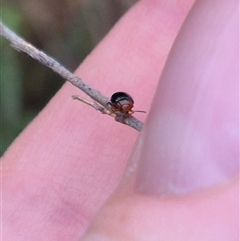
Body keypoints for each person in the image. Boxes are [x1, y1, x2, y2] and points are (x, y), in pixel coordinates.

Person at [2, 0, 238, 240]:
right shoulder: (121, 105)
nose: (126, 114)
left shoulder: (126, 108)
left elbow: (120, 105)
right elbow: (116, 102)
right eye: (125, 113)